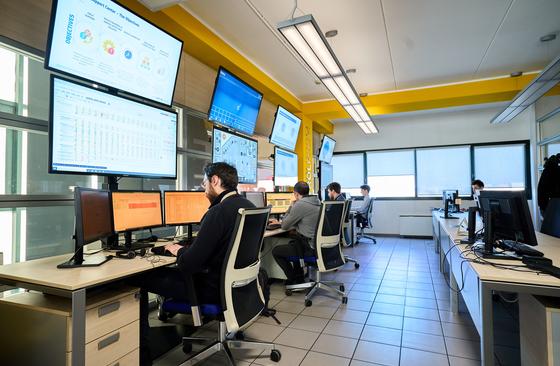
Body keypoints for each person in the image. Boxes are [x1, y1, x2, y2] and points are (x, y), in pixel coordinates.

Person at [136, 162, 255, 365]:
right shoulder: (249, 207)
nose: (203, 188)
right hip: (237, 288)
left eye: (204, 182)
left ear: (215, 180)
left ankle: (142, 356)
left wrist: (178, 249)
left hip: (212, 290)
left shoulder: (218, 212)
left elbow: (188, 265)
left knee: (142, 278)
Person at [267, 181, 321, 285]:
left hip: (308, 248)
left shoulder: (300, 204)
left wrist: (291, 207)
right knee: (293, 243)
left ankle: (293, 280)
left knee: (276, 251)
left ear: (296, 194)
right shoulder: (316, 201)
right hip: (316, 246)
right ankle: (299, 277)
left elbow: (284, 226)